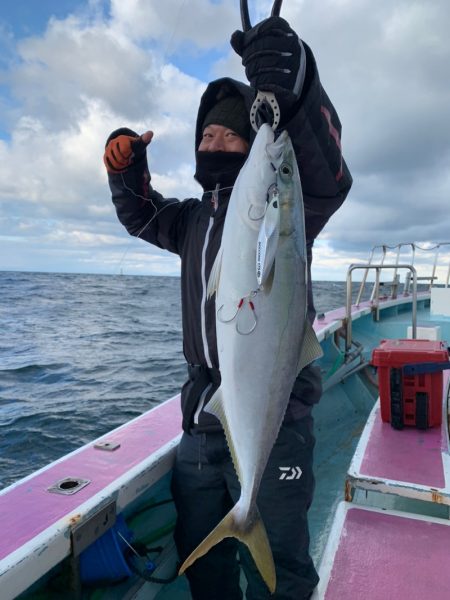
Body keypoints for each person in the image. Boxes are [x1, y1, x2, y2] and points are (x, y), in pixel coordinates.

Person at [104, 16, 352, 600]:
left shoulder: (288, 212)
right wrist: (125, 169)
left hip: (278, 418)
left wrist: (298, 90)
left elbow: (327, 181)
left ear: (252, 141)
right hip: (205, 416)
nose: (215, 143)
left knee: (285, 564)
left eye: (229, 135)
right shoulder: (190, 221)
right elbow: (139, 213)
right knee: (203, 564)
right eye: (207, 136)